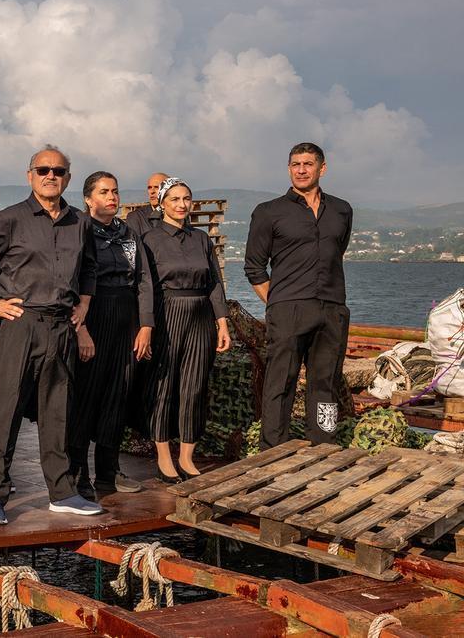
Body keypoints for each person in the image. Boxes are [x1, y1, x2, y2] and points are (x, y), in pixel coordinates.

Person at [0, 144, 100, 526]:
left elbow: (89, 267)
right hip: (20, 323)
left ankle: (62, 491)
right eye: (43, 170)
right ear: (30, 176)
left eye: (58, 171)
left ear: (68, 178)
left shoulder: (79, 222)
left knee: (58, 411)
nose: (50, 176)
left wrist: (84, 304)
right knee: (5, 411)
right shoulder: (10, 219)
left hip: (62, 325)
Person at [245, 142, 353, 448]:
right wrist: (278, 302)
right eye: (295, 164)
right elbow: (254, 266)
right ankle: (273, 448)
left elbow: (336, 252)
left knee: (326, 383)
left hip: (332, 309)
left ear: (322, 168)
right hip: (287, 309)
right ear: (289, 168)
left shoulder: (342, 210)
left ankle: (324, 445)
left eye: (307, 164)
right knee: (280, 382)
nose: (301, 170)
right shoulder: (269, 212)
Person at [67, 172, 153, 498]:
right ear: (88, 198)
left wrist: (146, 326)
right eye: (104, 192)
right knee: (86, 398)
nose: (112, 197)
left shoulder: (129, 235)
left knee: (118, 395)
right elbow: (73, 282)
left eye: (115, 191)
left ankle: (109, 470)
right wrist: (81, 330)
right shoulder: (79, 231)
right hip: (93, 315)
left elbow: (144, 281)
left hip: (126, 318)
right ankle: (78, 473)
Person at [141, 177, 232, 482]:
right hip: (167, 313)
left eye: (186, 199)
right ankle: (164, 457)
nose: (181, 205)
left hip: (200, 317)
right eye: (175, 199)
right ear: (162, 203)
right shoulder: (150, 239)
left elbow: (215, 284)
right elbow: (145, 288)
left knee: (194, 386)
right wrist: (147, 326)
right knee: (164, 386)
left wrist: (222, 323)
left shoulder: (202, 239)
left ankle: (187, 457)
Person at [126, 172, 168, 237]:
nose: (152, 191)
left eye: (157, 187)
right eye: (149, 187)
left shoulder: (178, 215)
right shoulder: (136, 218)